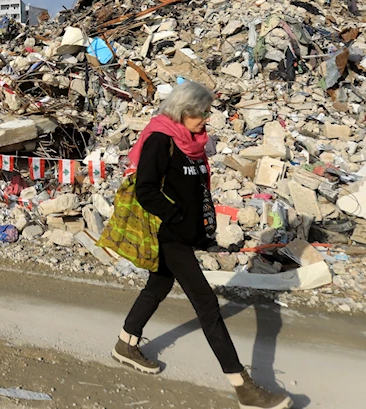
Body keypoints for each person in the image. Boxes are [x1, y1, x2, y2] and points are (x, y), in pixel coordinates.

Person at [110, 81, 293, 409]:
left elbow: (196, 191)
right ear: (183, 112)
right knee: (207, 305)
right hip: (168, 235)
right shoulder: (160, 140)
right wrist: (176, 218)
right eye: (201, 113)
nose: (206, 119)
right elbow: (146, 190)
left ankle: (126, 343)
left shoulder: (193, 142)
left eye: (207, 113)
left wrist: (203, 229)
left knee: (157, 286)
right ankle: (243, 388)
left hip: (185, 234)